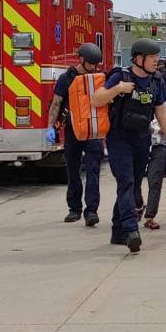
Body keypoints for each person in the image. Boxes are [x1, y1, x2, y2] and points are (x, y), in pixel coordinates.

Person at [92, 39, 166, 253]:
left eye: (157, 58)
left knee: (131, 184)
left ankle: (117, 230)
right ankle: (131, 231)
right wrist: (118, 89)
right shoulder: (120, 76)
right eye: (152, 58)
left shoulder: (157, 80)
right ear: (138, 58)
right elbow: (96, 99)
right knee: (127, 182)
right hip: (119, 138)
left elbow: (161, 112)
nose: (155, 61)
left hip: (142, 138)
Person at [46, 42, 103, 226]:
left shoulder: (98, 77)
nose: (93, 68)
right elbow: (56, 102)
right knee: (73, 170)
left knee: (93, 170)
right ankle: (74, 209)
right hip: (73, 130)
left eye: (96, 64)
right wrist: (50, 127)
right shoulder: (66, 78)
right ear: (81, 60)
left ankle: (92, 211)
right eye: (91, 64)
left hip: (93, 130)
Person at [141, 100, 166, 230]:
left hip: (158, 146)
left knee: (155, 181)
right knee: (132, 180)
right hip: (138, 145)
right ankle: (138, 204)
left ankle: (150, 216)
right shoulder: (135, 100)